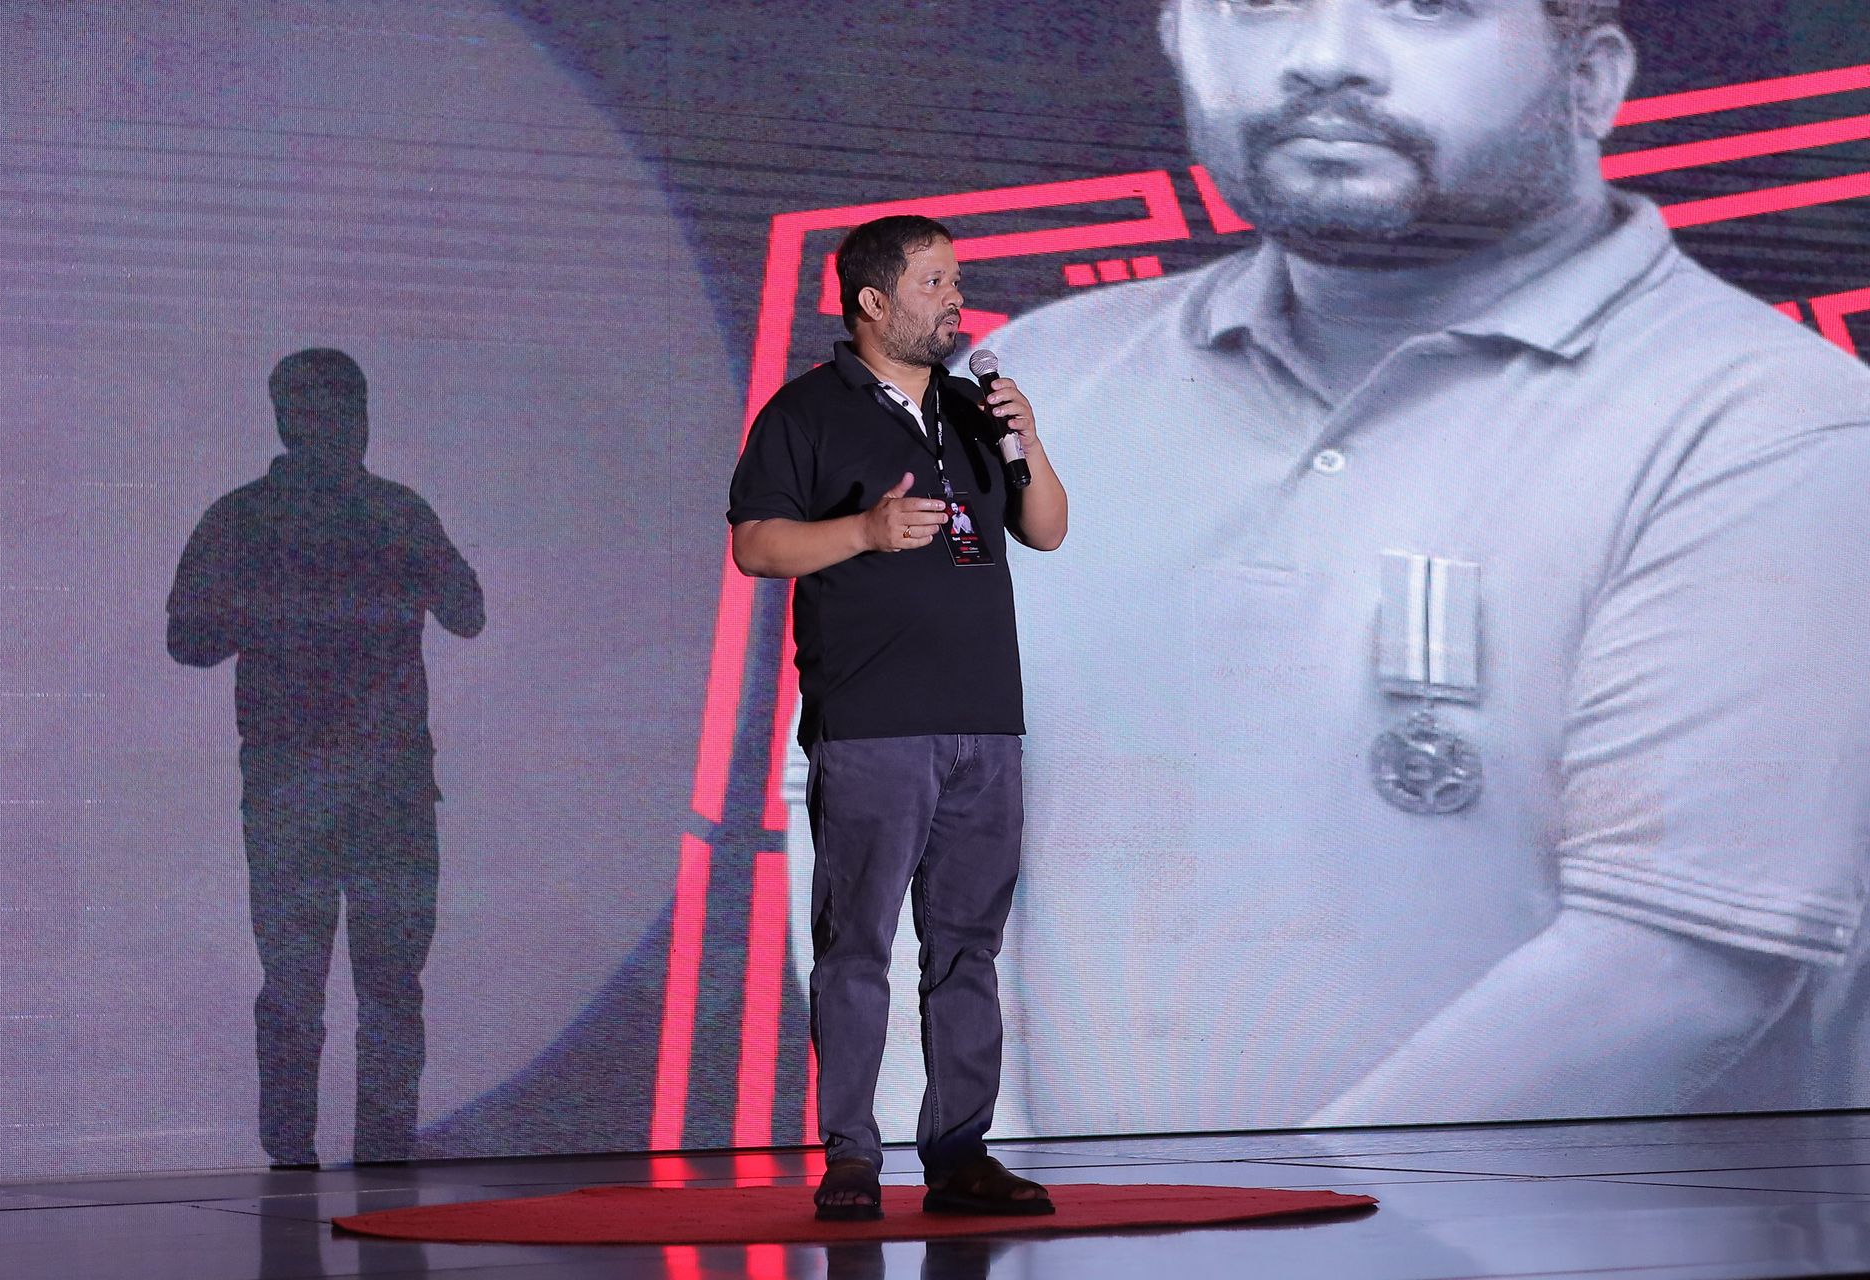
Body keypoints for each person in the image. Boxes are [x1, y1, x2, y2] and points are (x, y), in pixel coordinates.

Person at [981, 0, 1870, 1136]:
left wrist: (1204, 1251)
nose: (1320, 57)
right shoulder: (1028, 384)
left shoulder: (1782, 432)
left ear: (1591, 81)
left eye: (1430, 7)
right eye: (1255, 6)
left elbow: (1671, 978)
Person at [729, 215, 1069, 1219]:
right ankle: (851, 1157)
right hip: (873, 720)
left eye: (955, 279)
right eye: (934, 281)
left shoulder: (972, 409)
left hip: (985, 720)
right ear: (875, 302)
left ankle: (961, 1151)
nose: (954, 299)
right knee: (859, 946)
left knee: (968, 946)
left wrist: (1028, 438)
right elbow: (757, 546)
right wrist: (866, 530)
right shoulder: (805, 413)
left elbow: (1045, 528)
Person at [167, 349, 485, 1165]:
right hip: (318, 789)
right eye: (334, 409)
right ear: (291, 419)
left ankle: (357, 1153)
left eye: (353, 408)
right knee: (318, 992)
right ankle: (311, 1156)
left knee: (364, 991)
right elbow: (190, 638)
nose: (348, 426)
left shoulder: (368, 513)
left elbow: (465, 609)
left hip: (360, 789)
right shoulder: (259, 519)